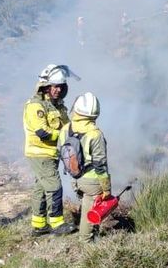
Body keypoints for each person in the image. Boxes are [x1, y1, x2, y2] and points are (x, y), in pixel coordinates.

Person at [23, 64, 75, 235]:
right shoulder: (35, 106)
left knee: (41, 188)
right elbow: (43, 132)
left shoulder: (57, 106)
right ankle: (57, 224)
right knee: (55, 186)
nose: (57, 90)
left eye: (60, 86)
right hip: (40, 154)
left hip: (51, 154)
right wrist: (63, 135)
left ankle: (39, 225)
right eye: (54, 86)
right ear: (45, 86)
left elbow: (68, 127)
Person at [65, 92, 110, 238]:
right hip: (92, 182)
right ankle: (86, 242)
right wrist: (106, 189)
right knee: (90, 215)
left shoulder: (66, 128)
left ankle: (93, 237)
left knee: (87, 206)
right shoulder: (95, 134)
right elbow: (100, 165)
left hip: (74, 178)